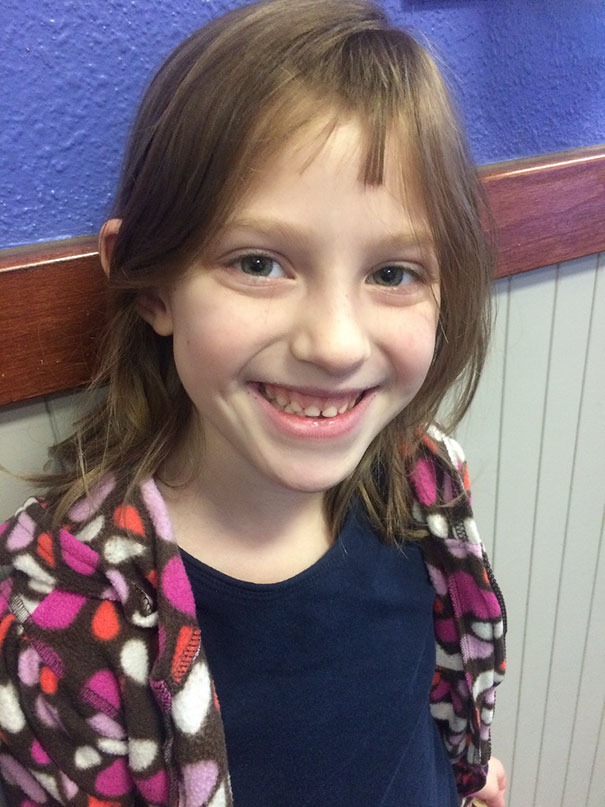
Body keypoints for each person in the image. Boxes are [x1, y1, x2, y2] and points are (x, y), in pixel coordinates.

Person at [0, 0, 507, 804]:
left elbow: (434, 701)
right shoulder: (61, 616)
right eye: (259, 263)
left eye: (391, 273)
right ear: (152, 285)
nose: (335, 343)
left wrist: (463, 771)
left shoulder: (425, 481)